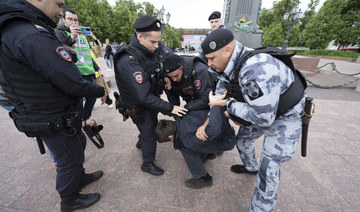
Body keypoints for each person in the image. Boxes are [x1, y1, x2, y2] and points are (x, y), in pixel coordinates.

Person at [0, 0, 107, 211]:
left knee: (77, 147)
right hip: (49, 113)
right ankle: (69, 199)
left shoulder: (25, 27)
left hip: (56, 109)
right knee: (68, 158)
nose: (61, 10)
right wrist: (101, 90)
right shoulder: (27, 32)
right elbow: (69, 80)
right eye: (59, 4)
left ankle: (80, 177)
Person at [199, 28, 306, 211]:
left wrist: (228, 105)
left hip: (286, 116)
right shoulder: (228, 64)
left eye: (211, 58)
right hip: (264, 110)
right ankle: (250, 167)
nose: (209, 64)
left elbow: (263, 118)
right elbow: (219, 91)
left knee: (269, 168)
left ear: (227, 51)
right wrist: (212, 114)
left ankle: (261, 208)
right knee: (243, 140)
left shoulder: (255, 68)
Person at [114, 15, 187, 176]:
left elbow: (160, 63)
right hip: (140, 105)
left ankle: (141, 142)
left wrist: (166, 76)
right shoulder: (129, 60)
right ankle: (147, 163)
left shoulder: (146, 49)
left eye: (158, 41)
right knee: (149, 131)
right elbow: (143, 96)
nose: (157, 45)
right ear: (140, 36)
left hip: (150, 100)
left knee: (148, 126)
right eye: (153, 42)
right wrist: (170, 108)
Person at [155, 105, 235, 189]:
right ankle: (209, 154)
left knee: (184, 147)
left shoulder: (188, 140)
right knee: (196, 141)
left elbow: (212, 131)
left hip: (227, 140)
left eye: (169, 141)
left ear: (171, 137)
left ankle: (203, 179)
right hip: (225, 129)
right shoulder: (184, 115)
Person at [55, 7, 102, 121]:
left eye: (76, 20)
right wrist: (72, 37)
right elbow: (61, 50)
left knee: (92, 98)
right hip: (75, 74)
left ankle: (84, 119)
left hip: (88, 72)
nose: (74, 22)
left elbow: (87, 54)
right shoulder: (59, 32)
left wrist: (97, 68)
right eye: (70, 19)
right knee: (78, 102)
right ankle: (81, 122)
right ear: (63, 19)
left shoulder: (82, 34)